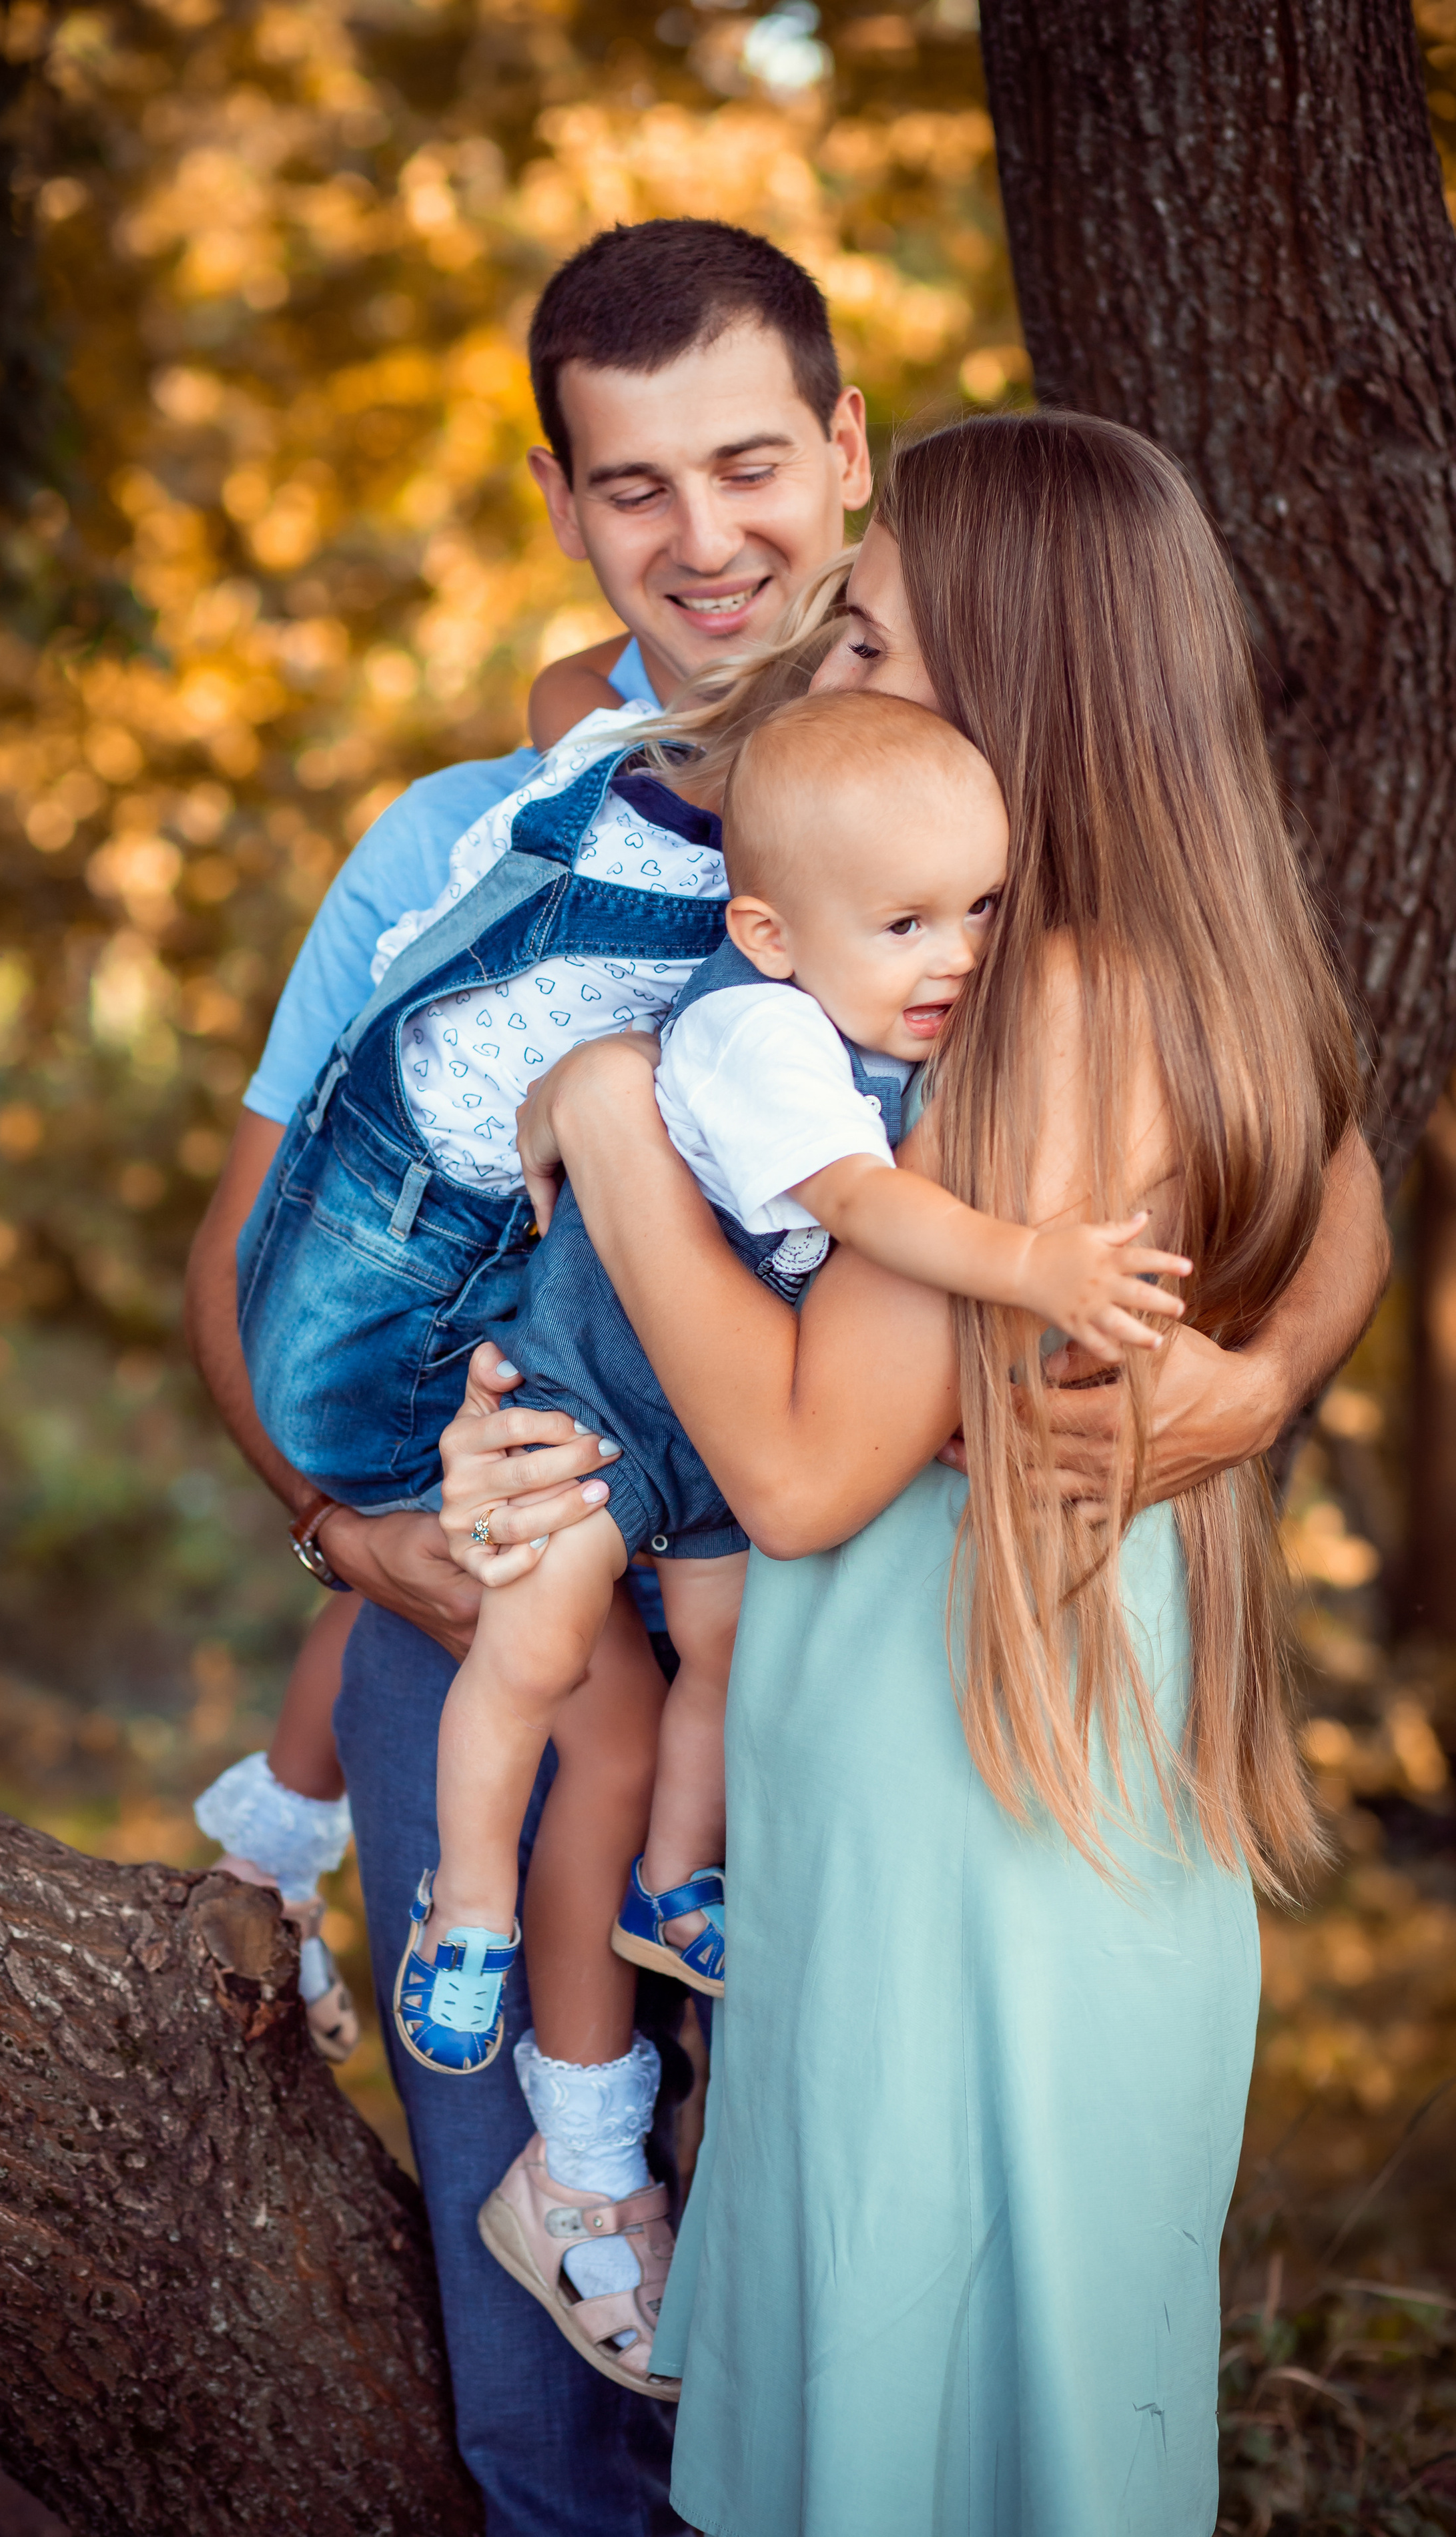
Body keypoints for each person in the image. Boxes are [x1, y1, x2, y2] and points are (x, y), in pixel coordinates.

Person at [435, 408, 1383, 2534]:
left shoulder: (1030, 1020)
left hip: (956, 1819)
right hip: (1044, 1796)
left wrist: (603, 1116)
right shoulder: (1173, 974)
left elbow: (790, 1473)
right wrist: (1272, 1366)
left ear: (1017, 682)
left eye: (868, 639)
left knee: (909, 2427)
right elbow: (1352, 1192)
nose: (822, 677)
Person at [185, 218, 871, 2534]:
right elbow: (249, 1256)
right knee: (556, 2390)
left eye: (752, 461)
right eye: (636, 486)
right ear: (573, 508)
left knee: (836, 2334)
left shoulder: (983, 803)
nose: (708, 538)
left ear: (850, 449)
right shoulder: (454, 850)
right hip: (498, 1614)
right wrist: (351, 1531)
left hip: (840, 1650)